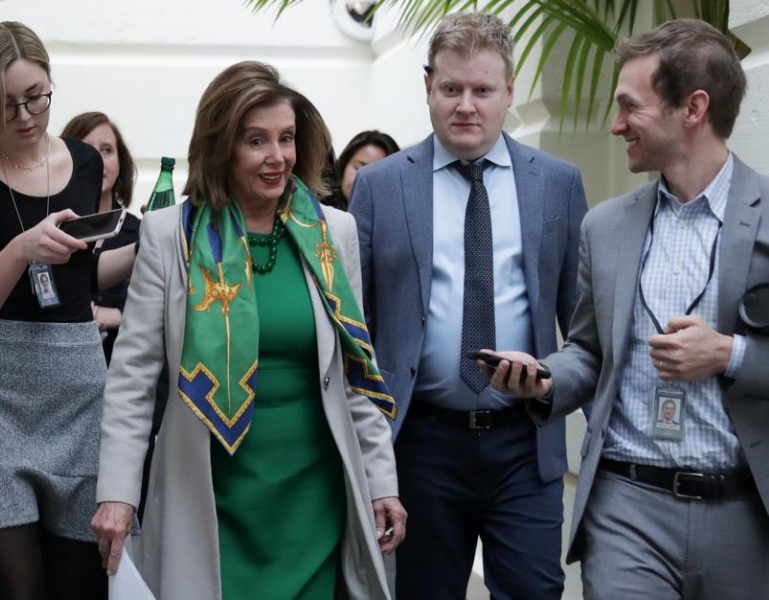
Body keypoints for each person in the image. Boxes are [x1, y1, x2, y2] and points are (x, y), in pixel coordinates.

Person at [92, 60, 407, 599]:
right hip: (211, 494)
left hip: (314, 492)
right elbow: (132, 379)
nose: (276, 156)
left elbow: (356, 373)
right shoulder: (170, 236)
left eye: (286, 138)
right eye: (256, 140)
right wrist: (117, 493)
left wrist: (381, 482)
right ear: (221, 146)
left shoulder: (334, 233)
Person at [484, 18, 769, 599]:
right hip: (626, 507)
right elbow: (588, 350)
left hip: (744, 510)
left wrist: (728, 355)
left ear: (693, 109)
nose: (616, 125)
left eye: (629, 107)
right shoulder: (605, 226)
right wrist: (544, 379)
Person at [348, 12, 588, 599]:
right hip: (420, 444)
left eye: (482, 90)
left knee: (535, 591)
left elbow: (585, 330)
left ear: (509, 91)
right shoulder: (381, 186)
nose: (466, 106)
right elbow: (356, 328)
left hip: (525, 443)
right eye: (451, 88)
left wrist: (550, 379)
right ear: (428, 86)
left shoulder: (556, 184)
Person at [0, 22, 136, 599]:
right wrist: (22, 249)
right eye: (6, 105)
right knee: (16, 590)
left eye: (37, 97)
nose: (25, 116)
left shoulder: (85, 162)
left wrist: (150, 247)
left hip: (78, 392)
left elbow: (79, 279)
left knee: (79, 586)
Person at [61, 111, 140, 362]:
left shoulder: (143, 234)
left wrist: (119, 315)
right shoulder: (50, 231)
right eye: (87, 149)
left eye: (107, 150)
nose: (97, 159)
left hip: (122, 371)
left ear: (121, 163)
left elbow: (167, 310)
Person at [323, 130, 400, 210]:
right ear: (344, 164)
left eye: (378, 175)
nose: (365, 181)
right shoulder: (319, 209)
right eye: (360, 169)